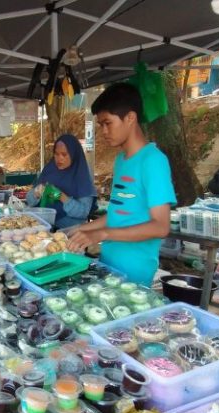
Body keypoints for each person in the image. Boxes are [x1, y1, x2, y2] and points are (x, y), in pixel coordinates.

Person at [68, 83, 176, 285]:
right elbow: (119, 214)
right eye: (101, 125)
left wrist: (101, 233)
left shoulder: (153, 161)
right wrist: (81, 230)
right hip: (109, 262)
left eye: (108, 123)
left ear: (130, 118)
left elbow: (161, 226)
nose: (104, 131)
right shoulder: (121, 160)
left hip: (134, 270)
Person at [26, 134, 97, 229]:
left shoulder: (81, 175)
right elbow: (29, 200)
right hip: (44, 226)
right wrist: (36, 193)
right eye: (56, 154)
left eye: (64, 154)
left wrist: (61, 197)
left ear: (73, 154)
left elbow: (83, 212)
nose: (59, 158)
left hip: (69, 231)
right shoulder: (49, 170)